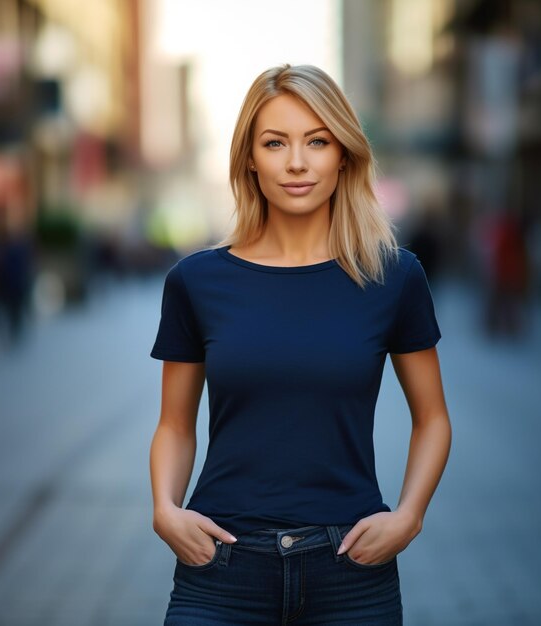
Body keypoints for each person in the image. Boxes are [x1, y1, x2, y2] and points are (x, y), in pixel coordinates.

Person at [149, 63, 452, 625]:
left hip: (352, 572)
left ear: (343, 155)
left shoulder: (393, 277)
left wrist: (409, 516)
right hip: (220, 570)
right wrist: (165, 510)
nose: (296, 162)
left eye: (316, 141)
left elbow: (432, 418)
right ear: (248, 158)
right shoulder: (196, 281)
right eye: (274, 142)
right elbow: (174, 425)